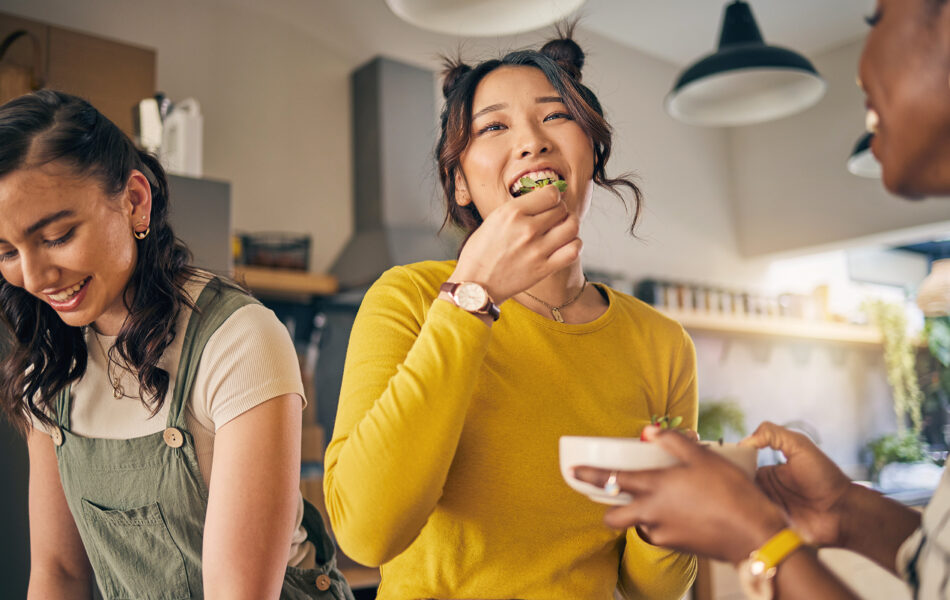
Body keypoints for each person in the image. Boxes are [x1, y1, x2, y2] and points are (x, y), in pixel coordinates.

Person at [574, 0, 950, 598]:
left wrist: (758, 537)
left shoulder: (659, 339)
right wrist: (846, 510)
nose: (859, 70)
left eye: (876, 18)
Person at [323, 29, 698, 599]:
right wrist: (473, 293)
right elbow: (368, 535)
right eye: (494, 127)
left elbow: (656, 588)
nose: (531, 141)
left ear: (591, 154)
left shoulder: (663, 343)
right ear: (460, 182)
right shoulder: (409, 299)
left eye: (555, 117)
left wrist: (667, 496)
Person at [0, 90, 353, 600]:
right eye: (7, 251)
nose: (33, 277)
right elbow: (59, 573)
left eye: (57, 235)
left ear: (135, 201)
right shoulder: (52, 363)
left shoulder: (239, 342)